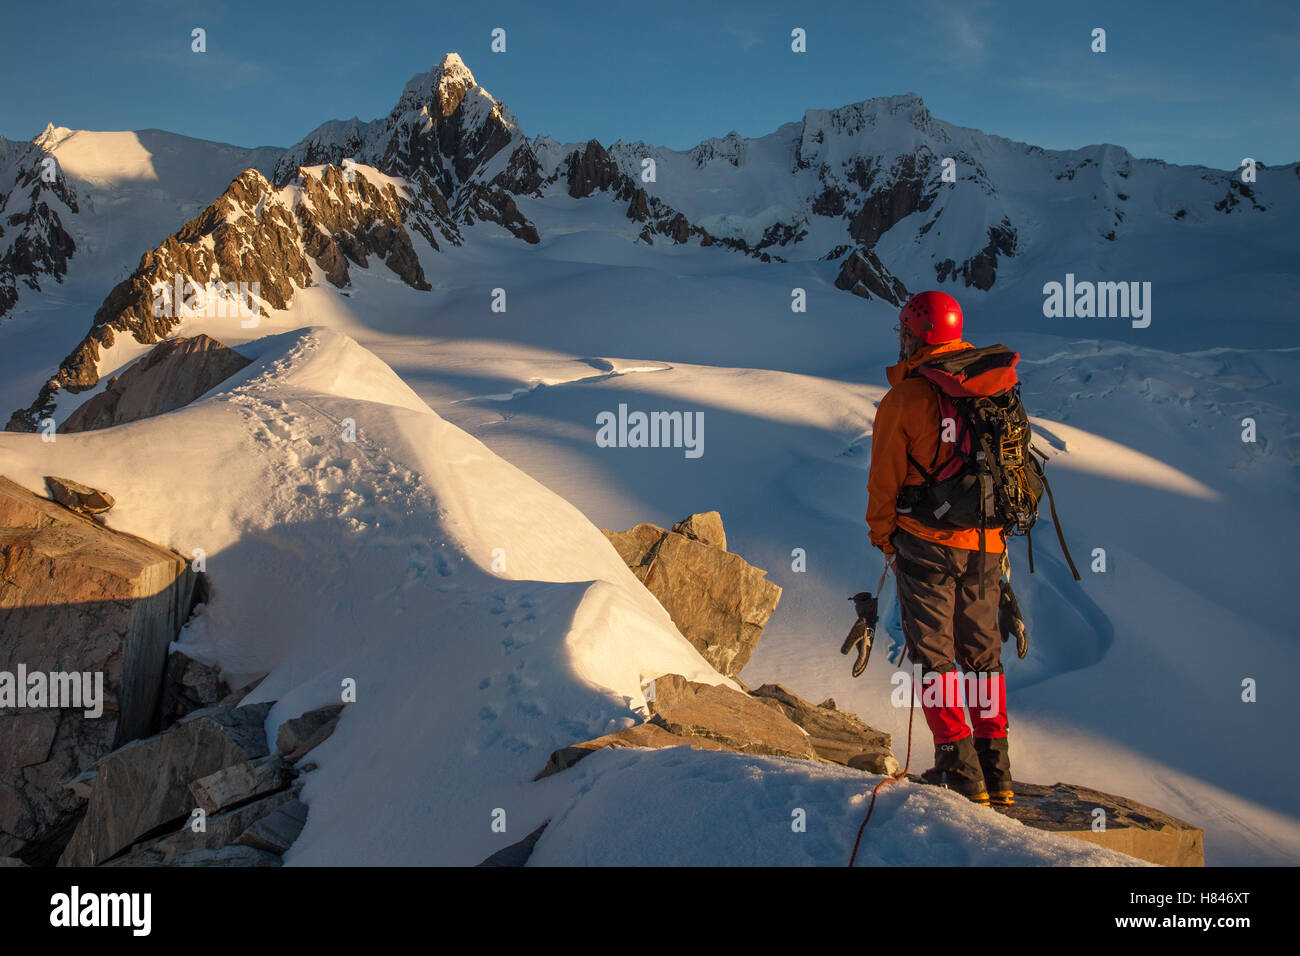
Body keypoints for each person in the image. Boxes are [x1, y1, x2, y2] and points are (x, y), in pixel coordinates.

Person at [866, 290, 1012, 807]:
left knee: (935, 658)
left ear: (915, 335)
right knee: (982, 655)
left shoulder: (905, 399)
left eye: (902, 331)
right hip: (988, 543)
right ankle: (998, 773)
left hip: (927, 542)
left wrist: (884, 537)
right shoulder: (989, 387)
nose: (899, 340)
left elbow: (883, 481)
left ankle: (960, 772)